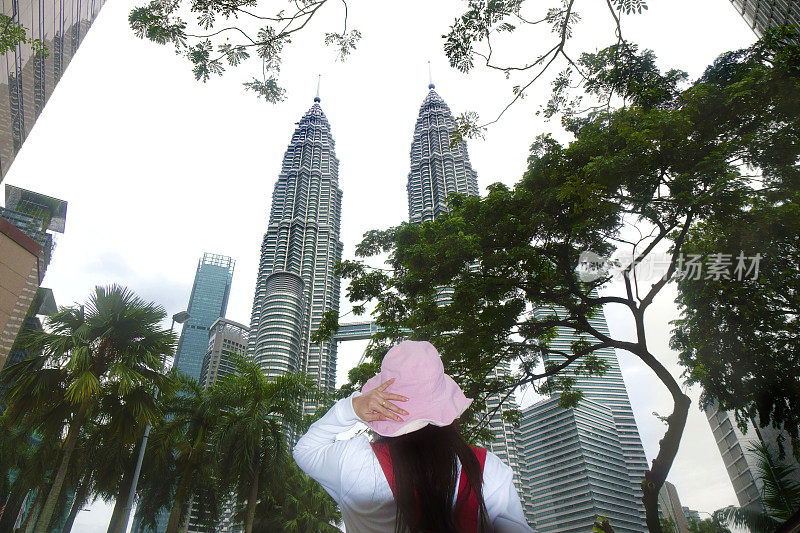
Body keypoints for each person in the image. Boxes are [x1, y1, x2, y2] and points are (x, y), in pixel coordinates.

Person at [293, 340, 534, 532]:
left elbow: (305, 451)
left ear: (381, 403)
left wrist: (352, 408)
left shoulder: (352, 461)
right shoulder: (486, 468)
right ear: (445, 405)